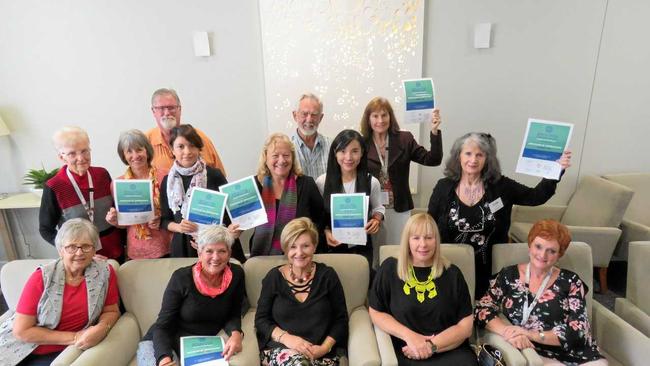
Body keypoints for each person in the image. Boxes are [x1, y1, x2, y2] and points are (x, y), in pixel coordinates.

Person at [427, 132, 572, 297]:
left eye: (479, 155)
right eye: (468, 153)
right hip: (450, 265)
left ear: (487, 159)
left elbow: (535, 196)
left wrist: (556, 171)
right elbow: (429, 224)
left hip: (489, 268)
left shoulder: (501, 186)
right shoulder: (443, 187)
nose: (473, 160)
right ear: (458, 156)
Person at [475, 220, 607, 365]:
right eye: (538, 246)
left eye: (551, 251)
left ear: (559, 255)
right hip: (531, 351)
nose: (543, 255)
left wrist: (531, 334)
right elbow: (482, 309)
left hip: (572, 352)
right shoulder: (508, 275)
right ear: (530, 245)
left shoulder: (571, 281)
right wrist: (507, 331)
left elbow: (579, 329)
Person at [0, 218, 120, 365]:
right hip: (28, 350)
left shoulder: (104, 272)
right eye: (71, 247)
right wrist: (75, 337)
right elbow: (21, 331)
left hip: (73, 350)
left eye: (86, 246)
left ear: (94, 249)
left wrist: (102, 328)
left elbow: (111, 311)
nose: (79, 252)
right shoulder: (42, 277)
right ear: (60, 250)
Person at [369, 213, 476, 365]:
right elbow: (376, 312)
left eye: (428, 237)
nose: (423, 244)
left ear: (436, 240)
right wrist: (410, 336)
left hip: (448, 350)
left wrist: (430, 346)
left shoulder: (453, 273)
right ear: (407, 241)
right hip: (406, 350)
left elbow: (465, 327)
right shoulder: (389, 268)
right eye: (416, 238)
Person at [138, 225, 244, 366]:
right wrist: (163, 358)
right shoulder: (181, 278)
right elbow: (163, 326)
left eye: (222, 251)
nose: (215, 257)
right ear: (199, 253)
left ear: (229, 253)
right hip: (163, 342)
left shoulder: (236, 274)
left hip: (200, 347)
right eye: (209, 251)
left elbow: (234, 313)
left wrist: (236, 334)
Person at [255, 217, 348, 365]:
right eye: (293, 247)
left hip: (321, 353)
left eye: (305, 246)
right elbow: (261, 320)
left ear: (314, 246)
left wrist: (324, 348)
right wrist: (288, 339)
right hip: (282, 351)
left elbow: (341, 320)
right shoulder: (274, 277)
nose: (299, 252)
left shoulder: (328, 276)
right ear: (285, 249)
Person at [360, 97, 443, 248]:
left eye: (384, 115)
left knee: (399, 252)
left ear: (390, 117)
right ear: (368, 119)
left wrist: (434, 131)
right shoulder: (361, 143)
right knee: (375, 256)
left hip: (399, 208)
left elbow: (433, 160)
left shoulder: (404, 139)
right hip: (373, 210)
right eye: (375, 116)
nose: (380, 120)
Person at [159, 124, 246, 262]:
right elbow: (164, 220)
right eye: (180, 146)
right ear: (172, 150)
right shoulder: (167, 182)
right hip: (183, 247)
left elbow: (231, 213)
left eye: (192, 145)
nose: (187, 151)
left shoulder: (214, 175)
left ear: (199, 148)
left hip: (215, 245)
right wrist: (179, 227)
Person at [39, 126, 123, 260]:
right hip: (80, 258)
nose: (81, 158)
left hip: (115, 252)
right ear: (62, 157)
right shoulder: (54, 186)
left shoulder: (102, 175)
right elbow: (45, 229)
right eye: (72, 153)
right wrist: (73, 251)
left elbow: (117, 209)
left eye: (85, 151)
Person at [315, 129, 384, 267]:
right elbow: (318, 216)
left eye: (354, 151)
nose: (348, 157)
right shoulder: (322, 182)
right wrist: (326, 231)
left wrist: (376, 219)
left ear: (362, 153)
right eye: (342, 151)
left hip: (362, 248)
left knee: (361, 283)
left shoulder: (372, 182)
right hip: (332, 247)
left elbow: (378, 208)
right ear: (335, 153)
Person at [249, 133, 324, 257]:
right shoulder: (255, 185)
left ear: (292, 158)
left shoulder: (307, 184)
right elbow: (243, 220)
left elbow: (320, 220)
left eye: (286, 155)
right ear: (265, 158)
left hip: (300, 256)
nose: (281, 160)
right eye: (275, 156)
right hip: (261, 256)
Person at [105, 129, 172, 259]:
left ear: (147, 151)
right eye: (129, 151)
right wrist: (114, 221)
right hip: (136, 251)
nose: (135, 156)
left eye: (139, 149)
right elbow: (124, 223)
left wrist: (161, 219)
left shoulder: (166, 176)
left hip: (167, 246)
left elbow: (177, 211)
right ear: (123, 155)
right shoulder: (118, 184)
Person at [146, 88, 227, 174]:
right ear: (153, 111)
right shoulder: (146, 142)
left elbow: (220, 180)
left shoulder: (199, 137)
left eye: (171, 108)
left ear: (179, 109)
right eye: (161, 108)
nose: (167, 113)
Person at [289, 93, 331, 179]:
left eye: (314, 114)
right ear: (295, 115)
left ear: (321, 118)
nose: (309, 119)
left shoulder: (332, 145)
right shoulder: (286, 148)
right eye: (304, 114)